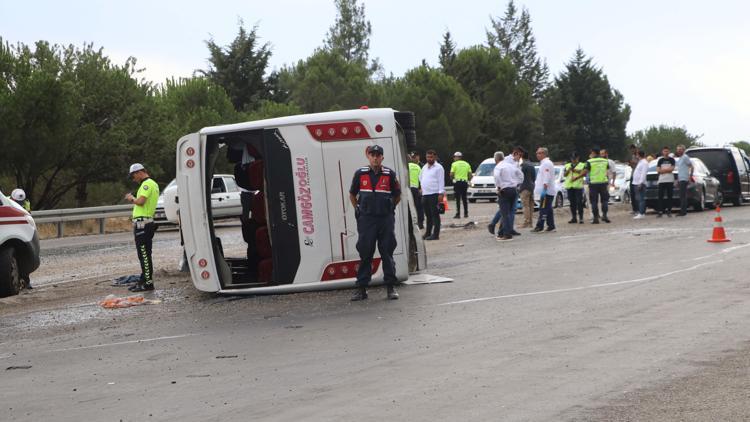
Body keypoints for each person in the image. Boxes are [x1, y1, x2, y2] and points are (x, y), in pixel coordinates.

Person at [349, 145, 401, 301]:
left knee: (387, 252)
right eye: (373, 155)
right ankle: (361, 289)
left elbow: (397, 194)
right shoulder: (360, 174)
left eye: (378, 155)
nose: (375, 158)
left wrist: (390, 207)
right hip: (367, 220)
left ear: (382, 158)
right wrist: (357, 208)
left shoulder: (389, 174)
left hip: (385, 220)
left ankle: (390, 287)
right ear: (368, 157)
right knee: (365, 252)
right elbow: (352, 194)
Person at [124, 163, 159, 292]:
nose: (134, 179)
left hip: (143, 225)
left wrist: (131, 198)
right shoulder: (153, 184)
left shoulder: (146, 184)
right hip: (146, 224)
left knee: (144, 255)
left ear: (139, 172)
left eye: (133, 176)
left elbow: (141, 201)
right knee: (145, 254)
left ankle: (148, 284)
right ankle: (144, 280)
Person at [495, 147, 524, 241]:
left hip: (505, 190)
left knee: (505, 213)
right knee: (510, 212)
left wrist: (499, 187)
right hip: (513, 190)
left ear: (496, 159)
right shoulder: (512, 165)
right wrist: (517, 184)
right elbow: (521, 175)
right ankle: (502, 232)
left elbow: (496, 176)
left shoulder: (499, 166)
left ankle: (506, 234)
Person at [419, 149, 445, 241]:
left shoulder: (438, 168)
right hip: (425, 194)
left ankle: (436, 234)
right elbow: (421, 177)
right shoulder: (424, 167)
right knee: (428, 215)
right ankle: (428, 233)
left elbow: (441, 181)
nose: (429, 159)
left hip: (434, 194)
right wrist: (422, 188)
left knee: (435, 215)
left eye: (431, 157)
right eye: (427, 157)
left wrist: (441, 193)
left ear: (435, 157)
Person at [582, 147, 611, 224]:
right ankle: (605, 215)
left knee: (594, 201)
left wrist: (579, 175)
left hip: (593, 183)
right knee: (604, 200)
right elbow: (607, 171)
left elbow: (585, 171)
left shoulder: (589, 161)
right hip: (603, 183)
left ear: (593, 152)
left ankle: (596, 218)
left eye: (591, 152)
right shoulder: (605, 161)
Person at [532, 147, 557, 232]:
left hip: (546, 190)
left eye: (539, 153)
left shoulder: (546, 163)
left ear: (544, 154)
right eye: (537, 153)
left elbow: (546, 177)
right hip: (547, 190)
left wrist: (544, 189)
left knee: (543, 209)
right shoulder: (544, 163)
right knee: (548, 209)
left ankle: (540, 226)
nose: (537, 155)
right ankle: (551, 225)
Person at [564, 152, 586, 224]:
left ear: (578, 158)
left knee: (579, 203)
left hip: (578, 186)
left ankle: (581, 218)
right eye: (572, 158)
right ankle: (574, 217)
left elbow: (584, 172)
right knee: (572, 203)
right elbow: (564, 174)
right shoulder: (567, 165)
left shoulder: (582, 165)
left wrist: (575, 170)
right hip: (570, 186)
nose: (573, 160)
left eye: (574, 158)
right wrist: (568, 170)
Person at [450, 152, 472, 219]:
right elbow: (470, 174)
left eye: (454, 157)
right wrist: (468, 180)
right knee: (464, 198)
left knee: (458, 199)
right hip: (464, 182)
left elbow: (451, 174)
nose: (454, 158)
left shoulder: (454, 164)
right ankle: (466, 213)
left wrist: (453, 179)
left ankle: (458, 214)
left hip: (457, 182)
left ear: (457, 157)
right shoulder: (467, 164)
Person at [487, 151, 505, 235]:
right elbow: (497, 178)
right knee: (505, 210)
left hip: (503, 189)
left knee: (503, 209)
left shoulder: (499, 166)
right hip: (503, 189)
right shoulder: (501, 166)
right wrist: (499, 187)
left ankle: (494, 224)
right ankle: (499, 228)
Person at [656, 146, 676, 217]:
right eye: (664, 151)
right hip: (661, 181)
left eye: (667, 151)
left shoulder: (672, 160)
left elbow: (672, 168)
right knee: (660, 196)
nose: (666, 152)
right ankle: (660, 211)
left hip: (670, 180)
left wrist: (663, 170)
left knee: (669, 196)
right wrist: (667, 170)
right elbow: (658, 170)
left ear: (669, 152)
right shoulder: (660, 160)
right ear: (662, 152)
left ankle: (669, 211)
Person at [519, 148, 536, 228]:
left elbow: (519, 177)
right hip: (531, 186)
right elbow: (534, 177)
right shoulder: (532, 165)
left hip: (524, 187)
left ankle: (526, 222)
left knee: (525, 205)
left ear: (522, 156)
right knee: (531, 205)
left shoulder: (523, 165)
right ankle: (531, 223)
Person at [675, 144, 694, 217]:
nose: (679, 151)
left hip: (684, 178)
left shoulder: (685, 157)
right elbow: (680, 170)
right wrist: (677, 179)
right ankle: (683, 210)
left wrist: (690, 176)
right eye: (678, 149)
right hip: (681, 178)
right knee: (681, 195)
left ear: (683, 150)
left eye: (680, 149)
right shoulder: (680, 158)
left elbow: (691, 166)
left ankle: (683, 211)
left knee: (683, 195)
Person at [408, 152, 424, 229]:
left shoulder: (406, 167)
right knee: (419, 206)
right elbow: (421, 179)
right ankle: (420, 223)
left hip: (408, 189)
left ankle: (411, 223)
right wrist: (421, 188)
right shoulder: (417, 167)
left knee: (410, 206)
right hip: (416, 189)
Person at [632, 150, 649, 219]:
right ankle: (641, 212)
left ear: (638, 155)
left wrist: (640, 183)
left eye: (637, 155)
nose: (636, 156)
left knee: (641, 198)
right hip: (636, 182)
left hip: (640, 183)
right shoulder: (640, 162)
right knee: (638, 198)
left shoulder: (644, 163)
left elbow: (643, 173)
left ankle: (641, 213)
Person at [627, 144, 640, 213]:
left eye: (633, 149)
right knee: (632, 193)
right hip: (633, 175)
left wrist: (633, 162)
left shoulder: (638, 155)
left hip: (637, 176)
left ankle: (638, 209)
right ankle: (634, 209)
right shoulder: (632, 156)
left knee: (636, 193)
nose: (632, 151)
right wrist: (631, 164)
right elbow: (633, 167)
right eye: (631, 150)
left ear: (635, 149)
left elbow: (640, 164)